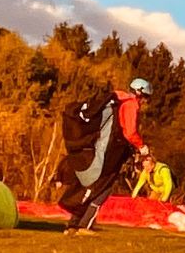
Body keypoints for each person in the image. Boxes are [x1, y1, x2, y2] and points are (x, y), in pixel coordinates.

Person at [54, 77, 155, 235]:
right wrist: (141, 146)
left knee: (91, 186)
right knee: (102, 189)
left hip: (101, 150)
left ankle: (73, 225)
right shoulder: (131, 104)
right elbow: (129, 132)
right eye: (146, 98)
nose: (145, 102)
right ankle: (84, 226)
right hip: (110, 154)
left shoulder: (118, 99)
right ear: (140, 94)